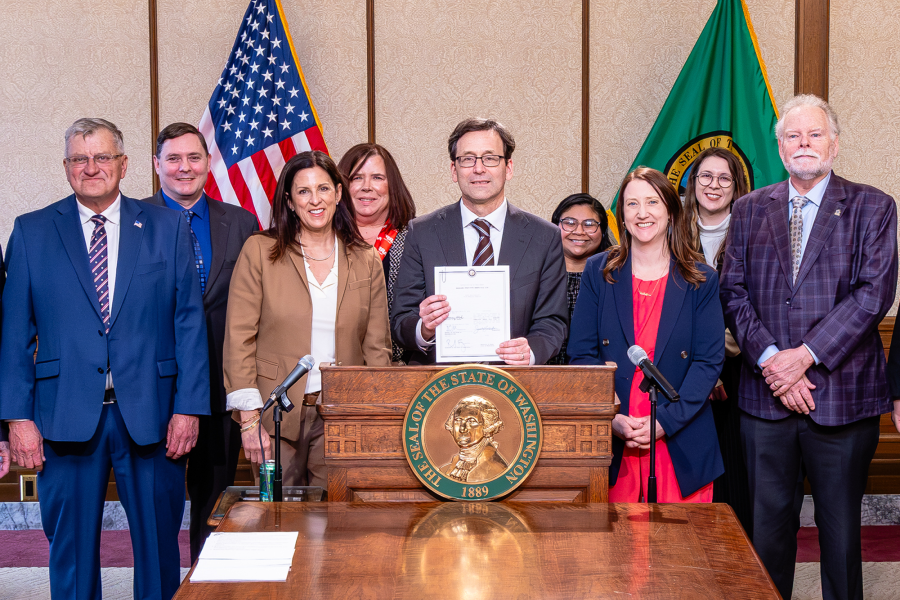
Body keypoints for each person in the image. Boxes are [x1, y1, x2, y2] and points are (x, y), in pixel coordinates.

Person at [0, 118, 209, 600]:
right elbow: (13, 337)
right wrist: (18, 419)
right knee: (70, 554)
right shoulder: (31, 232)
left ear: (124, 164)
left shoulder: (166, 226)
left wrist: (189, 408)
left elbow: (189, 325)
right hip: (64, 416)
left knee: (159, 552)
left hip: (154, 416)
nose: (91, 168)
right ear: (67, 167)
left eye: (102, 157)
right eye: (79, 159)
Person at [720, 94, 899, 600]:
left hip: (841, 399)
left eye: (814, 134)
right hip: (764, 399)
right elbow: (733, 290)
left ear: (834, 145)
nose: (804, 144)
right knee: (766, 533)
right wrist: (774, 361)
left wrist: (804, 357)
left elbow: (874, 294)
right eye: (793, 136)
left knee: (840, 536)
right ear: (779, 149)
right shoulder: (751, 208)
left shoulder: (874, 206)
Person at [224, 150, 391, 488]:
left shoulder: (365, 258)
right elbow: (238, 339)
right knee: (278, 523)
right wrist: (248, 420)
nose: (315, 200)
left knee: (337, 523)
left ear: (338, 194)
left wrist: (377, 418)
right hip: (276, 415)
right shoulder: (259, 251)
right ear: (289, 201)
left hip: (341, 414)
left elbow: (377, 348)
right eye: (303, 191)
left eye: (324, 189)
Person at [568, 167, 724, 503]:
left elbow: (708, 362)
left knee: (680, 550)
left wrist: (664, 422)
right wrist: (609, 416)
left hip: (679, 434)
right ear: (621, 215)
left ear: (670, 210)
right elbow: (582, 353)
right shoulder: (599, 270)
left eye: (652, 202)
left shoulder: (701, 278)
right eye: (632, 204)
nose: (642, 213)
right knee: (614, 550)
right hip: (615, 435)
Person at [141, 122, 258, 563]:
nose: (184, 168)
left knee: (214, 493)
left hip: (222, 380)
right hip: (154, 383)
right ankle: (161, 582)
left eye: (193, 157)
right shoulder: (136, 220)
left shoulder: (242, 222)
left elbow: (255, 306)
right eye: (173, 159)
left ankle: (207, 581)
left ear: (208, 163)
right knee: (158, 496)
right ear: (156, 166)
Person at [391, 118, 568, 365]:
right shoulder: (422, 233)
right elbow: (401, 320)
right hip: (438, 385)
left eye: (490, 158)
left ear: (508, 168)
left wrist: (531, 351)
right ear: (454, 170)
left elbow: (553, 321)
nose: (478, 168)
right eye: (467, 159)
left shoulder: (544, 237)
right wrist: (424, 328)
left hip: (514, 385)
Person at [683, 147, 752, 531]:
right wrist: (701, 368)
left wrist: (714, 362)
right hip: (682, 368)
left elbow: (758, 301)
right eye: (705, 177)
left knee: (735, 470)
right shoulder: (671, 230)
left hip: (741, 368)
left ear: (736, 185)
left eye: (724, 178)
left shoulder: (753, 230)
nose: (714, 185)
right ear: (693, 183)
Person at [337, 143, 416, 363]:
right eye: (356, 178)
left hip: (399, 368)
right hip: (336, 366)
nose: (367, 187)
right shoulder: (325, 240)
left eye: (378, 178)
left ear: (392, 185)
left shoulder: (416, 239)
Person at [548, 193, 613, 364]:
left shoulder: (615, 278)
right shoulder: (538, 274)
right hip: (542, 374)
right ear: (555, 226)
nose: (579, 231)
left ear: (603, 230)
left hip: (597, 374)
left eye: (589, 224)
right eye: (569, 223)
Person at [439, 395, 509, 483]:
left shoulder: (498, 471)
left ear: (487, 426)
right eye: (458, 420)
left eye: (471, 421)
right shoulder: (444, 471)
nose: (462, 428)